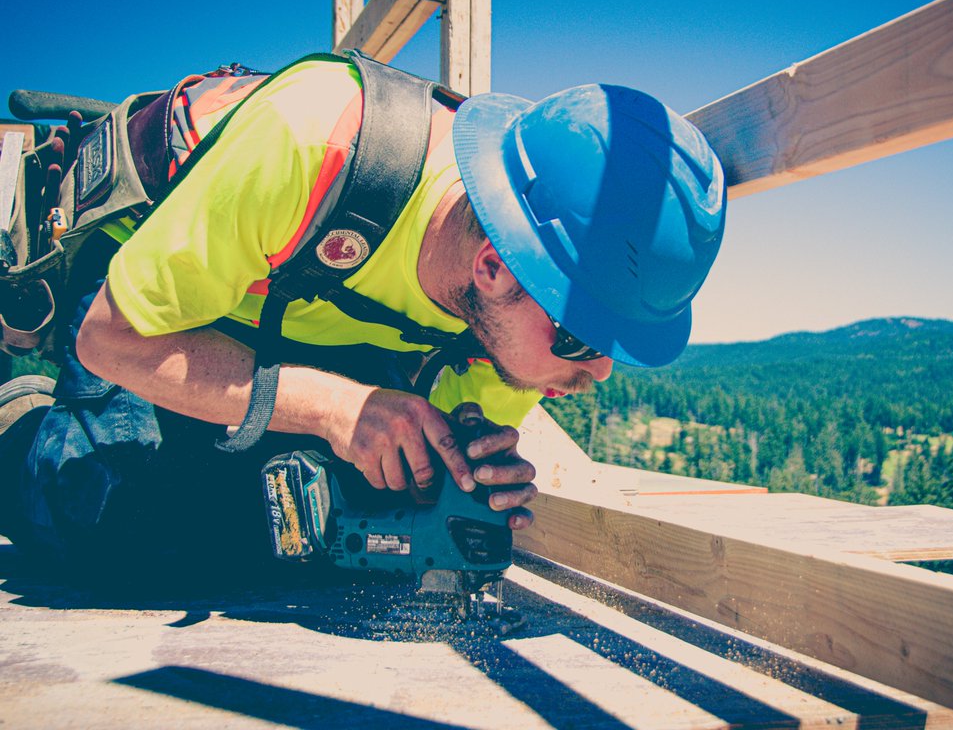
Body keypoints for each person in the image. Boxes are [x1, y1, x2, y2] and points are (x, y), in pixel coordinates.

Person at [0, 53, 726, 574]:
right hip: (161, 309)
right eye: (578, 338)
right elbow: (111, 336)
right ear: (494, 269)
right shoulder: (314, 143)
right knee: (104, 511)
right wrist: (334, 409)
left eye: (613, 345)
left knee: (327, 528)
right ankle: (23, 422)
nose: (595, 370)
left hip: (315, 321)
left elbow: (430, 438)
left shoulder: (513, 297)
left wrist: (460, 470)